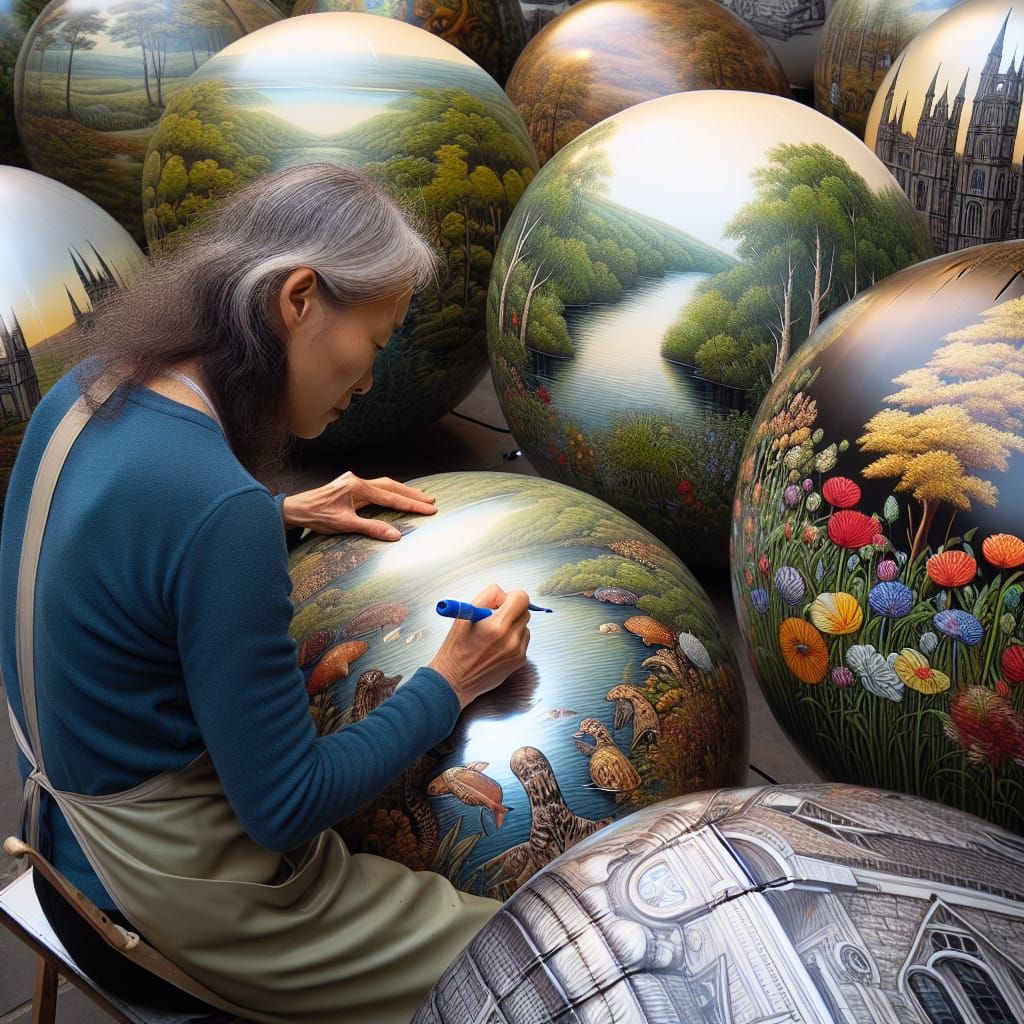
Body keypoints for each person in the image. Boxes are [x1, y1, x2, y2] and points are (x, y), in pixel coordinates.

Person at [0, 163, 532, 1023]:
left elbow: (114, 561)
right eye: (375, 339)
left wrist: (280, 512)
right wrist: (452, 682)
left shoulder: (84, 387)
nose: (366, 381)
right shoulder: (216, 510)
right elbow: (286, 808)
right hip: (156, 915)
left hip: (51, 848)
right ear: (297, 298)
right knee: (531, 949)